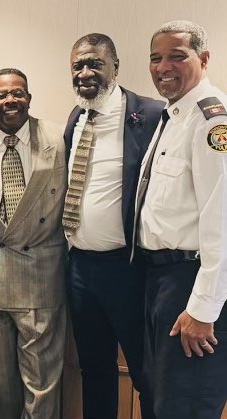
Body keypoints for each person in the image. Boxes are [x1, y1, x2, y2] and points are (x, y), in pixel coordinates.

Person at [63, 33, 162, 419]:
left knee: (143, 371)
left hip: (128, 269)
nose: (85, 73)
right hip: (80, 269)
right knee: (95, 368)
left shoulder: (151, 115)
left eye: (95, 64)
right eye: (78, 66)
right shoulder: (78, 115)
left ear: (115, 68)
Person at [135, 20, 227, 418]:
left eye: (177, 56)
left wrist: (204, 309)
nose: (162, 67)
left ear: (203, 59)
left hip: (192, 282)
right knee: (158, 399)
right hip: (161, 281)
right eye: (156, 58)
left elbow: (222, 220)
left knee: (184, 406)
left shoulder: (212, 120)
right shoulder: (172, 116)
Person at [0, 68, 66, 418]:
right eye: (2, 95)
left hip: (41, 272)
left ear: (29, 98)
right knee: (0, 382)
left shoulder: (56, 137)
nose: (11, 101)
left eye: (18, 93)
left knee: (41, 383)